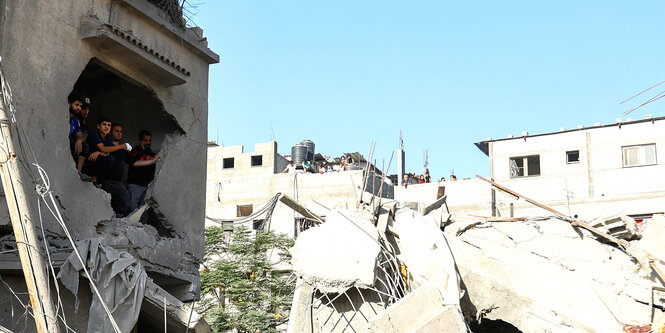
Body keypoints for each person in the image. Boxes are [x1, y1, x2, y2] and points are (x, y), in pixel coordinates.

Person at [83, 116, 130, 186]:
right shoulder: (95, 133)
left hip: (96, 160)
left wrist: (98, 153)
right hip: (86, 159)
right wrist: (122, 146)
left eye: (109, 125)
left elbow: (107, 153)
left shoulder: (109, 138)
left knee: (110, 159)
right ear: (98, 126)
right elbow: (103, 149)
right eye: (104, 124)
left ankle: (94, 179)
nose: (107, 127)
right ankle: (81, 173)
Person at [101, 123, 131, 217]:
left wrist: (154, 160)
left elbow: (134, 163)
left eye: (121, 131)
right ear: (110, 133)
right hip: (104, 180)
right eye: (116, 131)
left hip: (117, 182)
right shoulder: (105, 146)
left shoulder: (124, 150)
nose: (119, 133)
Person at [127, 130, 159, 211]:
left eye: (149, 140)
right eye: (145, 140)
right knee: (132, 210)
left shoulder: (152, 155)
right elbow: (132, 162)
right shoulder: (134, 152)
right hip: (135, 185)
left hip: (147, 186)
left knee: (144, 211)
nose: (148, 142)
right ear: (140, 141)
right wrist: (142, 151)